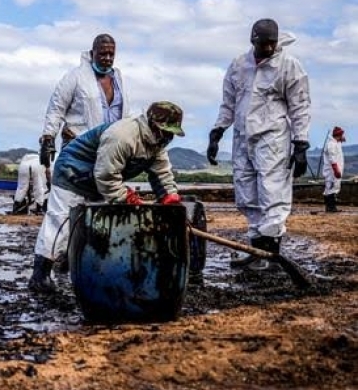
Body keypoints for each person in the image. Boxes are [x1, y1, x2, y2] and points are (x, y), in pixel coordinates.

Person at [28, 101, 185, 293]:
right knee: (60, 223)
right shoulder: (122, 136)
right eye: (165, 132)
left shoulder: (157, 146)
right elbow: (106, 175)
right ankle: (40, 274)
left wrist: (169, 197)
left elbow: (162, 174)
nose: (168, 137)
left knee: (97, 225)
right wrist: (125, 197)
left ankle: (75, 263)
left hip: (96, 180)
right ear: (153, 124)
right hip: (72, 172)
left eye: (171, 134)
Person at [205, 18, 311, 270]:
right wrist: (217, 131)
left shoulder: (288, 66)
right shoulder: (239, 66)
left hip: (273, 138)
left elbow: (300, 106)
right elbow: (229, 103)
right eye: (264, 44)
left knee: (272, 191)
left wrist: (301, 143)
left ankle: (271, 252)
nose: (269, 48)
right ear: (253, 41)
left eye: (272, 43)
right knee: (246, 191)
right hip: (243, 138)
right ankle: (256, 250)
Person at [38, 33, 129, 174]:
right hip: (78, 146)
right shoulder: (75, 77)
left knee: (105, 186)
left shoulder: (118, 79)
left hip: (109, 151)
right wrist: (48, 139)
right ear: (93, 53)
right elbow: (56, 108)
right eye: (103, 54)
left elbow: (124, 115)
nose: (107, 58)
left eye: (111, 54)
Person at [323, 126, 346, 213]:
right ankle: (330, 207)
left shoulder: (336, 143)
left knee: (334, 187)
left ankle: (331, 207)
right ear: (338, 135)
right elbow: (332, 158)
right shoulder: (331, 144)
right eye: (341, 135)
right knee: (330, 188)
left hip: (334, 170)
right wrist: (335, 169)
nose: (342, 136)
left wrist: (341, 140)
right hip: (331, 171)